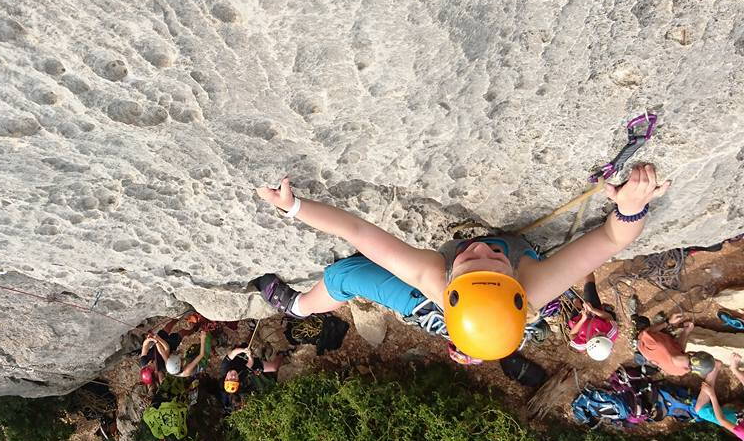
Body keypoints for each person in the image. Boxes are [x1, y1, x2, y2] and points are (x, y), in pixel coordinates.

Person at [254, 164, 670, 361]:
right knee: (350, 271)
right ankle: (472, 351)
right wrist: (632, 207)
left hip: (442, 312)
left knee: (345, 275)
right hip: (485, 324)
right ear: (516, 284)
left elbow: (359, 232)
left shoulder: (433, 279)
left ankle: (297, 307)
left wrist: (293, 208)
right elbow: (613, 237)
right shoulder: (535, 285)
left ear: (450, 280)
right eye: (495, 261)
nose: (482, 250)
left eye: (472, 262)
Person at [637, 313, 714, 377]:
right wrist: (686, 332)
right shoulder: (682, 371)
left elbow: (642, 335)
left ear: (692, 353)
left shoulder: (657, 345)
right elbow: (679, 348)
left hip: (645, 342)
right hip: (662, 345)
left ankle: (654, 322)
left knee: (643, 321)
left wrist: (668, 322)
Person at [566, 273, 618, 361]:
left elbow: (572, 334)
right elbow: (608, 316)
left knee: (576, 305)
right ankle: (587, 268)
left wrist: (583, 319)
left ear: (590, 341)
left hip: (578, 321)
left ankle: (574, 299)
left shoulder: (581, 344)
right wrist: (593, 310)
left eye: (599, 335)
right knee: (589, 287)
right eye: (604, 336)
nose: (601, 332)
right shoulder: (612, 332)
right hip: (595, 314)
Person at [695, 355, 744, 441]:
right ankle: (734, 369)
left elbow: (722, 420)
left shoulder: (742, 433)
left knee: (700, 410)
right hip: (740, 415)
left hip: (737, 419)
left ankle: (715, 367)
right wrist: (735, 369)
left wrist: (712, 394)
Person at [139, 321, 182, 386]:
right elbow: (167, 348)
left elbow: (145, 346)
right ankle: (193, 328)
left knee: (167, 327)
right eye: (149, 367)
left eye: (146, 366)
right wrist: (157, 340)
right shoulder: (163, 366)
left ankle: (177, 319)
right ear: (155, 371)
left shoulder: (144, 362)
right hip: (170, 345)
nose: (148, 364)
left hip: (158, 341)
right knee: (181, 333)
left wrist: (149, 339)